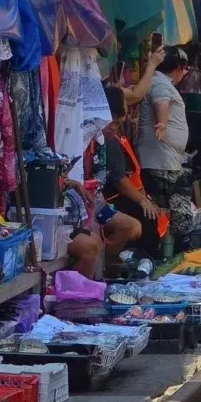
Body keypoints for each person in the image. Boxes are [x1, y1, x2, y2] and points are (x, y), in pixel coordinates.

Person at [64, 87, 148, 279]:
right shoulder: (79, 138)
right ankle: (88, 280)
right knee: (93, 240)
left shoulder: (102, 143)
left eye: (118, 124)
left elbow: (100, 184)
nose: (114, 128)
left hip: (95, 204)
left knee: (133, 227)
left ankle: (104, 268)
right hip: (74, 209)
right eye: (113, 122)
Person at [136, 46, 192, 254]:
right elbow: (162, 101)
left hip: (166, 161)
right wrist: (162, 123)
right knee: (178, 216)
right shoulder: (160, 83)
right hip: (161, 163)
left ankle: (171, 255)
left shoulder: (160, 81)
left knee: (169, 213)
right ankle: (171, 256)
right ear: (178, 68)